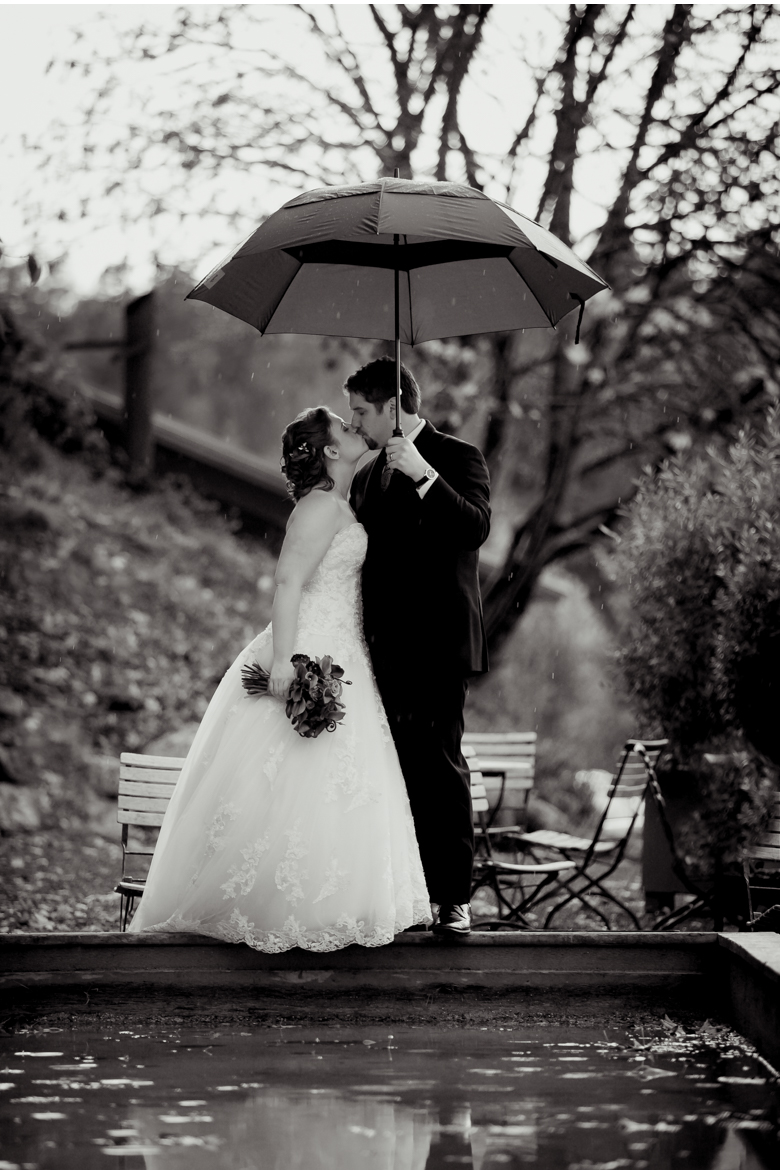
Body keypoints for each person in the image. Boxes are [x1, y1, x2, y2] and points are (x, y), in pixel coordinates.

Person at [129, 406, 431, 951]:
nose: (354, 427)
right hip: (312, 648)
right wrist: (289, 663)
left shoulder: (340, 502)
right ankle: (274, 912)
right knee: (287, 780)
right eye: (344, 425)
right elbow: (288, 582)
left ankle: (320, 910)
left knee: (335, 785)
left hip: (344, 652)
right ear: (331, 451)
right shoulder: (319, 508)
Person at [347, 357, 491, 937]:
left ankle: (453, 898)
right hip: (379, 649)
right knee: (389, 771)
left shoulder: (459, 457)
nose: (354, 422)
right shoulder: (363, 474)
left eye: (361, 411)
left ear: (393, 407)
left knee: (439, 768)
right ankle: (404, 895)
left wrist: (423, 475)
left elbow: (474, 528)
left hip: (437, 646)